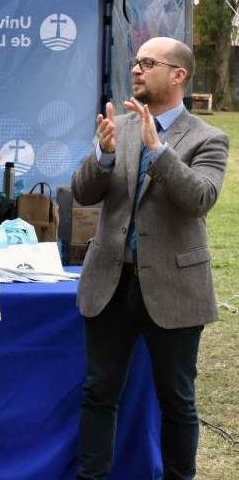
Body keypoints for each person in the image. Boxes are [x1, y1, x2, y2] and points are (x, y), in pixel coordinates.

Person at [73, 37, 229, 480]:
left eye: (147, 62)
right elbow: (84, 194)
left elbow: (201, 198)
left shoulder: (209, 138)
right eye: (135, 62)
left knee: (177, 399)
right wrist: (102, 157)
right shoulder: (116, 127)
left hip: (175, 289)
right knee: (98, 392)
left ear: (178, 74)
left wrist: (158, 151)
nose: (136, 70)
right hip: (110, 283)